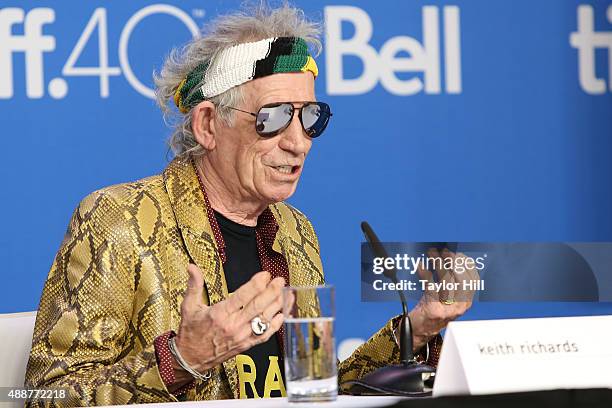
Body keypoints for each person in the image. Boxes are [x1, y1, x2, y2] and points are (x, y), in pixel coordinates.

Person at [25, 4, 474, 406]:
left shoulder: (295, 232)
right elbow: (40, 393)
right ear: (207, 124)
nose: (298, 143)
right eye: (274, 117)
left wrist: (420, 325)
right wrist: (181, 359)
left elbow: (318, 390)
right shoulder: (117, 220)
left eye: (310, 117)